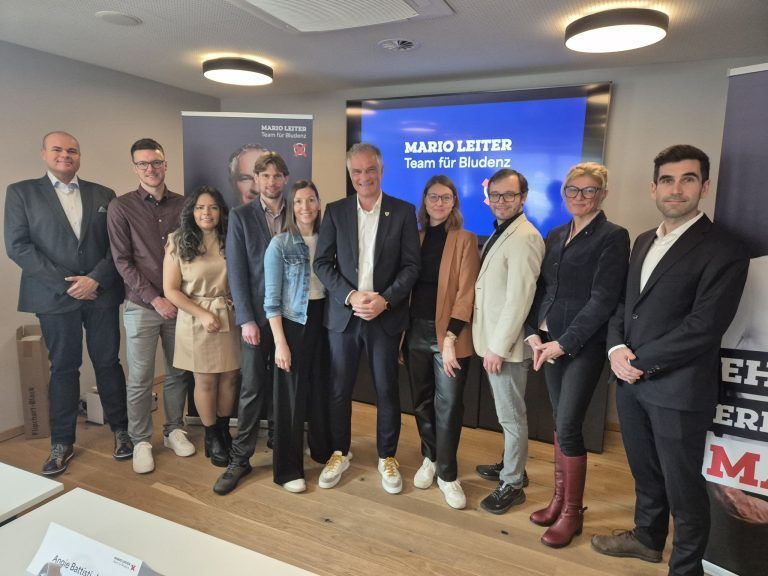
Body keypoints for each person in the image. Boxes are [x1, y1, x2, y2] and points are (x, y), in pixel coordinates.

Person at [591, 145, 748, 576]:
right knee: (645, 473)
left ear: (705, 186)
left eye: (688, 179)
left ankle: (686, 567)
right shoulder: (644, 240)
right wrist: (615, 349)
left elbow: (704, 326)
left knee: (684, 487)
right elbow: (625, 306)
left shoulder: (724, 249)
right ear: (653, 187)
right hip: (630, 382)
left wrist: (639, 360)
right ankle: (647, 538)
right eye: (667, 180)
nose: (676, 189)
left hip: (678, 389)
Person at [4, 131, 131, 475]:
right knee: (63, 368)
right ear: (44, 153)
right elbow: (18, 246)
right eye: (58, 150)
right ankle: (62, 443)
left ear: (79, 156)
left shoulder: (103, 194)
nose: (65, 155)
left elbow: (116, 246)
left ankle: (121, 430)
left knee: (108, 362)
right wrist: (70, 285)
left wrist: (95, 279)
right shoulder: (21, 193)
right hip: (53, 296)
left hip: (100, 292)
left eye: (72, 150)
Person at [524, 162, 629, 546]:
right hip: (549, 341)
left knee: (569, 425)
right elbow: (544, 290)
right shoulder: (554, 233)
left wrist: (565, 342)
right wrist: (534, 334)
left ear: (602, 194)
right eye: (573, 190)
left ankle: (573, 513)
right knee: (558, 422)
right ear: (564, 192)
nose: (579, 197)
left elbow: (603, 300)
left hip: (582, 346)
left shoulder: (614, 236)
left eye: (588, 191)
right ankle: (557, 500)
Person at [314, 142, 420, 494]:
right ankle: (339, 452)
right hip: (344, 317)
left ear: (381, 170)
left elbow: (411, 267)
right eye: (357, 171)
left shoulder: (403, 212)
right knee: (339, 389)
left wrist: (385, 300)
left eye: (370, 170)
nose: (364, 177)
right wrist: (349, 295)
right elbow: (322, 263)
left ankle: (386, 456)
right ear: (350, 174)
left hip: (384, 317)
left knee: (387, 390)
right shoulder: (335, 211)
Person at [108, 138, 194, 475]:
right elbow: (122, 261)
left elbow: (191, 253)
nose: (150, 169)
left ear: (165, 164)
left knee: (177, 374)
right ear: (135, 168)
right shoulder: (121, 207)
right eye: (143, 164)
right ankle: (141, 439)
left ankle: (174, 429)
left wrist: (177, 298)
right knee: (141, 378)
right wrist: (156, 298)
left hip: (178, 307)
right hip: (142, 306)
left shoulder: (184, 205)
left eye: (155, 162)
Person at [214, 151, 289, 494]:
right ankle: (240, 458)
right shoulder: (241, 217)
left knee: (285, 385)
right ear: (256, 181)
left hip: (292, 317)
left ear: (284, 179)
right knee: (252, 387)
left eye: (277, 176)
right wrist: (246, 319)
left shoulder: (299, 212)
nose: (271, 182)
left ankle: (279, 444)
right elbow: (238, 273)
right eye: (265, 176)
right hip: (256, 319)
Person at [405, 175, 480, 509]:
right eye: (433, 197)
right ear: (424, 200)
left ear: (454, 203)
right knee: (421, 401)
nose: (439, 203)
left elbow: (467, 292)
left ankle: (448, 474)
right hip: (414, 332)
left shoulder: (464, 239)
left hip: (449, 335)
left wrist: (450, 337)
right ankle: (430, 458)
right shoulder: (413, 237)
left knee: (448, 405)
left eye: (446, 197)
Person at [473, 168, 544, 514]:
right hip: (494, 342)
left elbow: (520, 298)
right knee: (507, 415)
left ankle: (513, 483)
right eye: (496, 195)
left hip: (507, 347)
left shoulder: (526, 236)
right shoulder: (504, 231)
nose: (501, 202)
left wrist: (497, 347)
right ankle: (510, 465)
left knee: (512, 417)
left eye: (509, 195)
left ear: (522, 197)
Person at [163, 187, 240, 469]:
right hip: (197, 319)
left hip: (230, 316)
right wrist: (203, 314)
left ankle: (222, 429)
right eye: (199, 208)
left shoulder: (231, 238)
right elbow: (170, 290)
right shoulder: (178, 241)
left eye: (212, 208)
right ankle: (211, 437)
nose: (206, 213)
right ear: (191, 212)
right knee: (206, 380)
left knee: (230, 378)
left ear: (221, 212)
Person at [264, 180, 330, 493]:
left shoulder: (330, 239)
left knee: (320, 390)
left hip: (325, 320)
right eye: (299, 202)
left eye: (311, 200)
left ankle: (322, 451)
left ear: (319, 204)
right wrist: (280, 343)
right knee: (290, 399)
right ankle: (288, 470)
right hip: (293, 323)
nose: (305, 207)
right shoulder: (280, 244)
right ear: (292, 207)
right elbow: (271, 300)